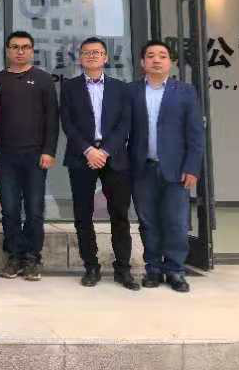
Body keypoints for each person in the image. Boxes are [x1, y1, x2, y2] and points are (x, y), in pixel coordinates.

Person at [60, 37, 138, 291]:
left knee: (120, 214)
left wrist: (103, 151)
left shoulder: (121, 88)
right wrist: (88, 150)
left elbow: (125, 124)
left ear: (105, 57)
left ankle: (123, 268)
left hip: (114, 157)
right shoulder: (69, 87)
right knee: (83, 215)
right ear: (80, 57)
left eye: (97, 52)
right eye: (87, 52)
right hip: (81, 157)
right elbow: (67, 123)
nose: (92, 56)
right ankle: (91, 266)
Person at [129, 40, 204, 293]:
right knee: (148, 221)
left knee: (176, 222)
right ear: (143, 62)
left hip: (176, 169)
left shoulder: (185, 92)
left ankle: (175, 270)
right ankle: (153, 268)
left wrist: (192, 167)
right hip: (142, 168)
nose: (156, 60)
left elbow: (195, 133)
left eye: (162, 55)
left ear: (171, 62)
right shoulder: (132, 91)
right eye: (150, 55)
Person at [0, 31, 58, 281]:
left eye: (25, 47)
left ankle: (32, 258)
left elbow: (52, 118)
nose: (20, 51)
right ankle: (13, 256)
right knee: (9, 209)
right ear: (7, 50)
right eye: (15, 47)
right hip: (6, 156)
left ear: (32, 50)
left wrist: (49, 150)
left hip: (35, 156)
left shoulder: (43, 79)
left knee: (34, 209)